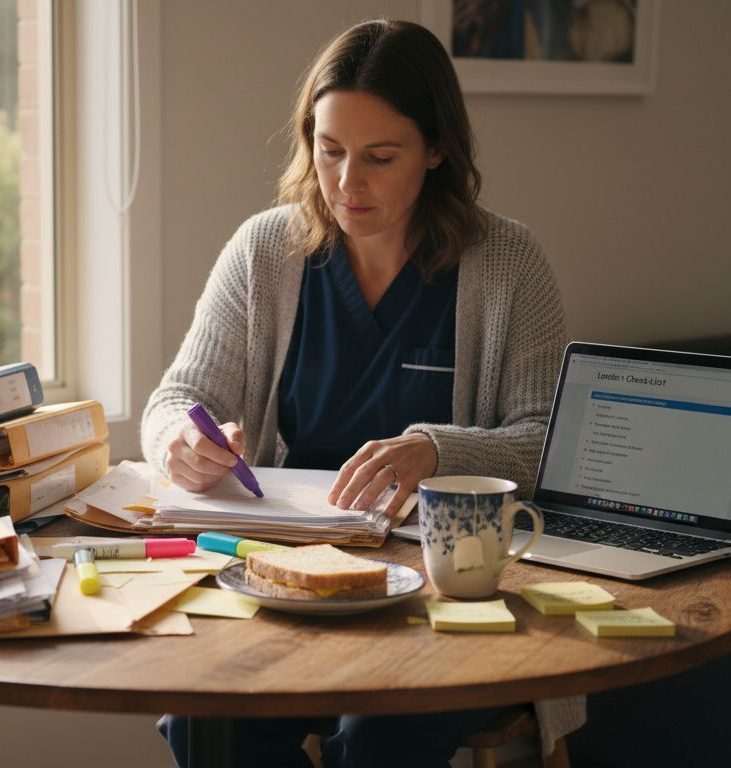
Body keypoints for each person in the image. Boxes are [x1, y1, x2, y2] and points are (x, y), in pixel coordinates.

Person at [141, 18, 582, 768]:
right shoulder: (264, 253)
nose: (348, 182)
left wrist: (435, 451)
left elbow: (551, 442)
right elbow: (176, 400)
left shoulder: (508, 263)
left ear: (436, 149)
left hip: (445, 595)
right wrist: (180, 443)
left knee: (381, 738)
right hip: (292, 579)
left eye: (380, 157)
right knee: (202, 723)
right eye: (330, 150)